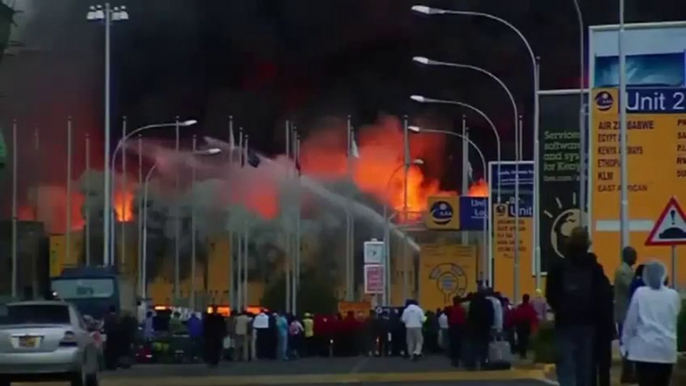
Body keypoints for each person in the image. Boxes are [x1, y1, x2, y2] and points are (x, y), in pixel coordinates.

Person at [546, 227, 608, 386]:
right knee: (585, 368)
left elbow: (550, 294)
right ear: (587, 244)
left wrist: (560, 308)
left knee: (566, 367)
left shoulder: (558, 266)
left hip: (565, 323)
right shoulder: (595, 268)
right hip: (588, 324)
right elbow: (603, 296)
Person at [621, 261, 681, 386]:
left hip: (644, 351)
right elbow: (675, 315)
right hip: (666, 350)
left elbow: (630, 322)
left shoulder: (640, 293)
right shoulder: (673, 295)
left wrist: (625, 345)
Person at [614, 246, 637, 383]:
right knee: (626, 343)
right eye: (634, 254)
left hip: (628, 313)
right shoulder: (623, 271)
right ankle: (627, 373)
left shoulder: (627, 270)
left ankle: (629, 372)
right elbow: (631, 288)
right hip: (625, 314)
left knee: (630, 343)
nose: (636, 257)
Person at [466, 288, 494, 370]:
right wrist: (490, 324)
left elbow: (470, 315)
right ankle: (483, 362)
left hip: (475, 326)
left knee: (474, 345)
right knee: (484, 345)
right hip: (485, 326)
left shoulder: (473, 303)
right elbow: (491, 314)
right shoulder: (488, 303)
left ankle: (473, 363)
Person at [514, 294, 538, 359]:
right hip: (526, 325)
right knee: (525, 340)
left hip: (519, 325)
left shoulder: (519, 307)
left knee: (520, 340)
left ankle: (521, 353)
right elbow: (533, 317)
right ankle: (523, 354)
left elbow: (515, 316)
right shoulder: (530, 307)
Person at [447, 296, 466, 367]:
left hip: (452, 327)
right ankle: (457, 359)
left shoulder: (450, 309)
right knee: (459, 344)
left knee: (453, 344)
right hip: (460, 327)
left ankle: (453, 359)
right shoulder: (462, 309)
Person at [103, 305, 120, 370]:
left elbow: (105, 326)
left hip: (109, 336)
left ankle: (109, 365)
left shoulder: (107, 317)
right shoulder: (116, 317)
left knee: (109, 350)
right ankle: (114, 365)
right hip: (115, 336)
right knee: (115, 351)